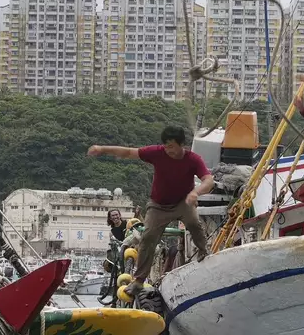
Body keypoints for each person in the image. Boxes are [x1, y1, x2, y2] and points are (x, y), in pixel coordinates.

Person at [88, 125, 214, 296]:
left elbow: (208, 180)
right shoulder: (157, 153)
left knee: (193, 223)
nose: (167, 149)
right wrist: (102, 149)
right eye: (165, 145)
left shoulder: (193, 159)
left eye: (171, 145)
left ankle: (204, 250)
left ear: (181, 144)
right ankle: (138, 280)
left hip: (183, 202)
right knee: (147, 237)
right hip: (158, 205)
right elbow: (128, 153)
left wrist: (195, 192)